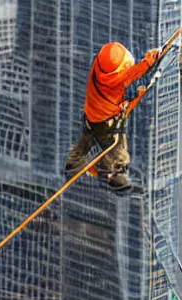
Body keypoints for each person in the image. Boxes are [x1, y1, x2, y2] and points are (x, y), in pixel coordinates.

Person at [65, 42, 160, 191]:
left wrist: (149, 62)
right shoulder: (118, 83)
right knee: (117, 149)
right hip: (107, 122)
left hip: (91, 113)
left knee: (86, 138)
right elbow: (136, 78)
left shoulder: (98, 67)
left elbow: (129, 74)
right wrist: (151, 63)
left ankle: (73, 164)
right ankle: (115, 177)